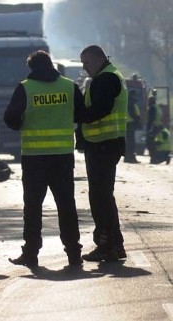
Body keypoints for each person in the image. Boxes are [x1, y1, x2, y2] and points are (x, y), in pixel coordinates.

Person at [4, 50, 86, 267]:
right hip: (62, 156)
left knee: (33, 207)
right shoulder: (69, 86)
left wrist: (23, 123)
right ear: (51, 64)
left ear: (31, 68)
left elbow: (10, 118)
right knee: (66, 205)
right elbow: (81, 115)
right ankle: (74, 253)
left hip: (34, 158)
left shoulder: (25, 88)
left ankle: (30, 253)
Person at [78, 45, 127, 262]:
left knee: (100, 198)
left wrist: (78, 114)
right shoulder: (109, 75)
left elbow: (100, 109)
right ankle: (113, 244)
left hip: (102, 144)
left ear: (98, 59)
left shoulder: (106, 78)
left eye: (86, 62)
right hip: (105, 144)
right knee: (103, 196)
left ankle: (108, 245)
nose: (84, 67)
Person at [124, 90, 141, 163]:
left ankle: (128, 157)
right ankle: (130, 158)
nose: (136, 96)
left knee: (130, 142)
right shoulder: (131, 103)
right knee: (131, 143)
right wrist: (137, 120)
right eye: (135, 95)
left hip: (129, 124)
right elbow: (132, 114)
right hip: (130, 124)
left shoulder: (129, 102)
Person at [146, 95, 164, 164]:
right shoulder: (157, 107)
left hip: (153, 128)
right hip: (157, 127)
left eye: (149, 100)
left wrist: (150, 129)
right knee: (155, 144)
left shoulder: (152, 108)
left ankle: (153, 159)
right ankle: (155, 158)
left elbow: (151, 119)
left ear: (151, 101)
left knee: (150, 144)